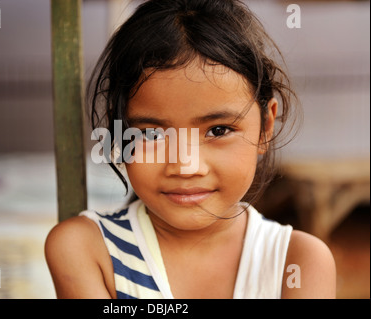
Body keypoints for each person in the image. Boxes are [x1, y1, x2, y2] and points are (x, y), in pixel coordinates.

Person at [45, 0, 336, 299]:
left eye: (218, 130)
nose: (185, 166)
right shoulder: (87, 250)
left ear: (265, 126)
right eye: (151, 134)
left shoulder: (297, 262)